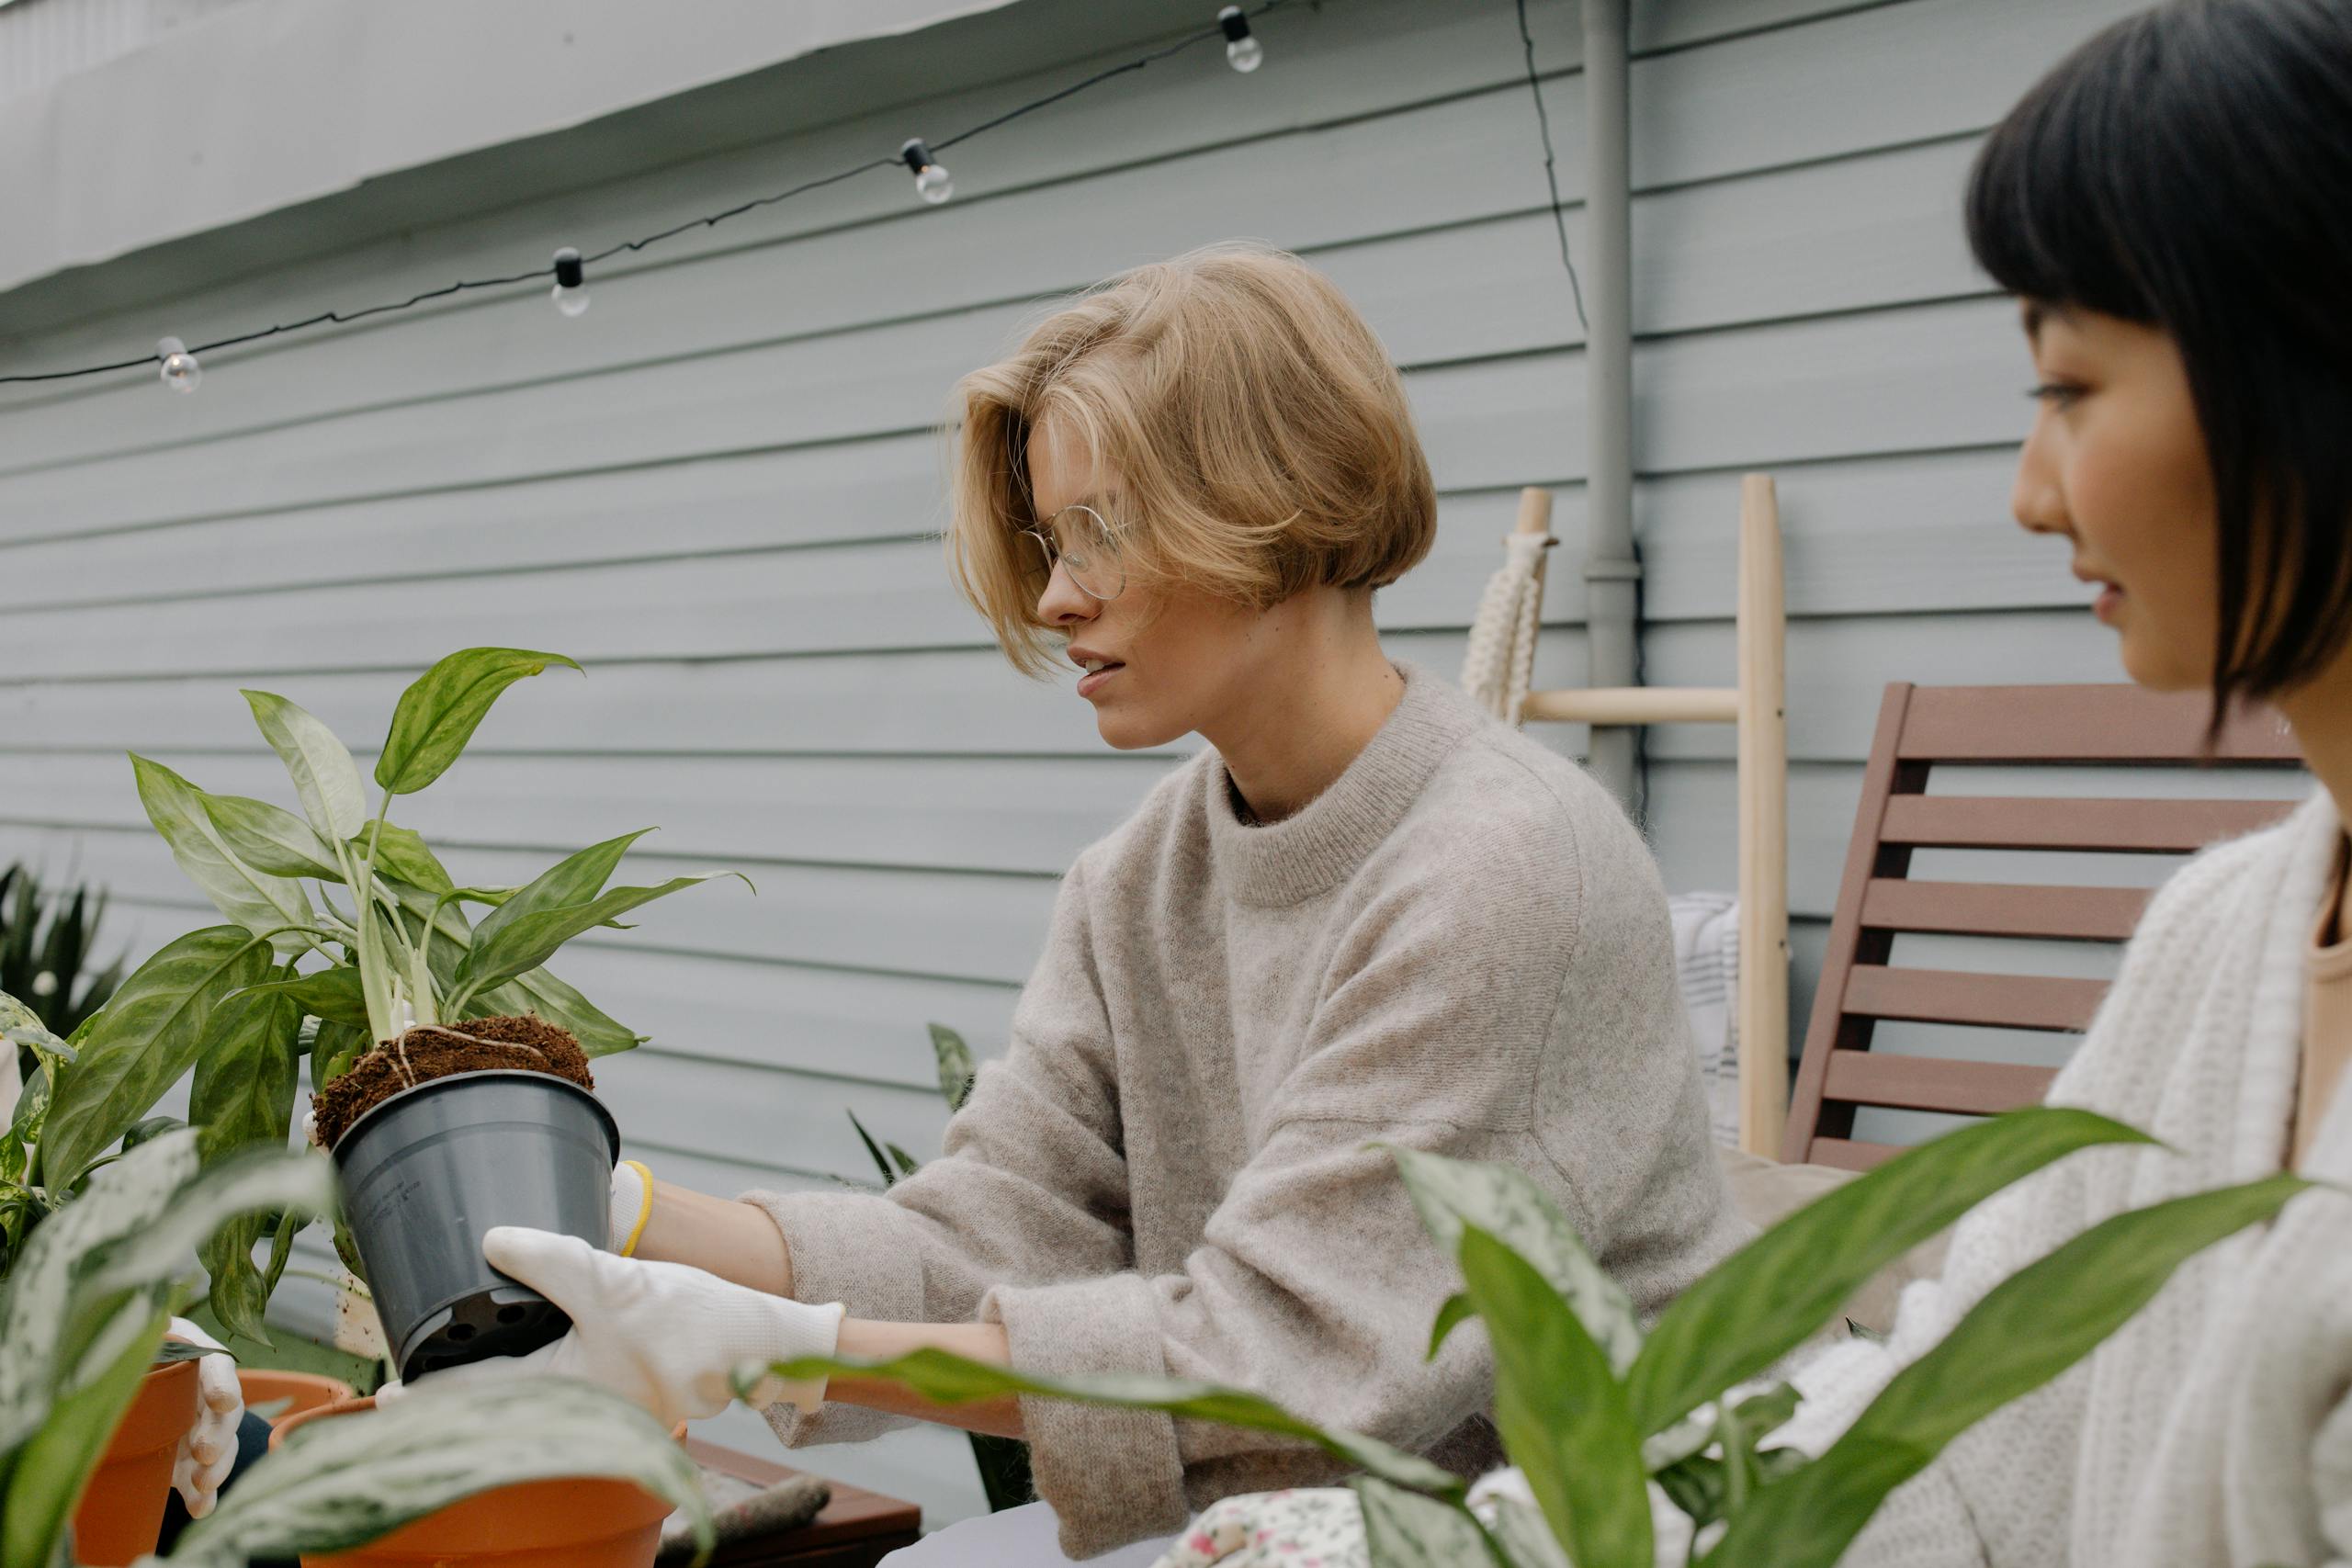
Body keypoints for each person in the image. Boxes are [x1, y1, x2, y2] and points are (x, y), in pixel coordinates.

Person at [1157, 1, 2352, 1562]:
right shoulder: (2225, 936)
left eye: (2068, 390)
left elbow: (1300, 1331)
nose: (2029, 492)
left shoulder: (1501, 852)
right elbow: (1954, 1433)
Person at [391, 243, 1745, 1562]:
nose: (1053, 596)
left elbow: (1277, 1368)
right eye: (1050, 537)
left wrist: (777, 1347)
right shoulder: (1144, 878)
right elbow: (998, 1230)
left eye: (1103, 530)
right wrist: (622, 1217)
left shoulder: (1501, 870)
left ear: (1279, 504)